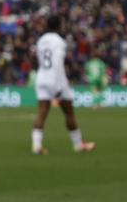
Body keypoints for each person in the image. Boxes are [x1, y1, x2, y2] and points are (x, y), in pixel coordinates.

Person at [32, 15, 96, 155]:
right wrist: (58, 88)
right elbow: (57, 64)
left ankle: (36, 146)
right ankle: (78, 144)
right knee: (69, 113)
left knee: (41, 112)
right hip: (56, 80)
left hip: (41, 77)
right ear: (58, 26)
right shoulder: (59, 41)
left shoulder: (41, 40)